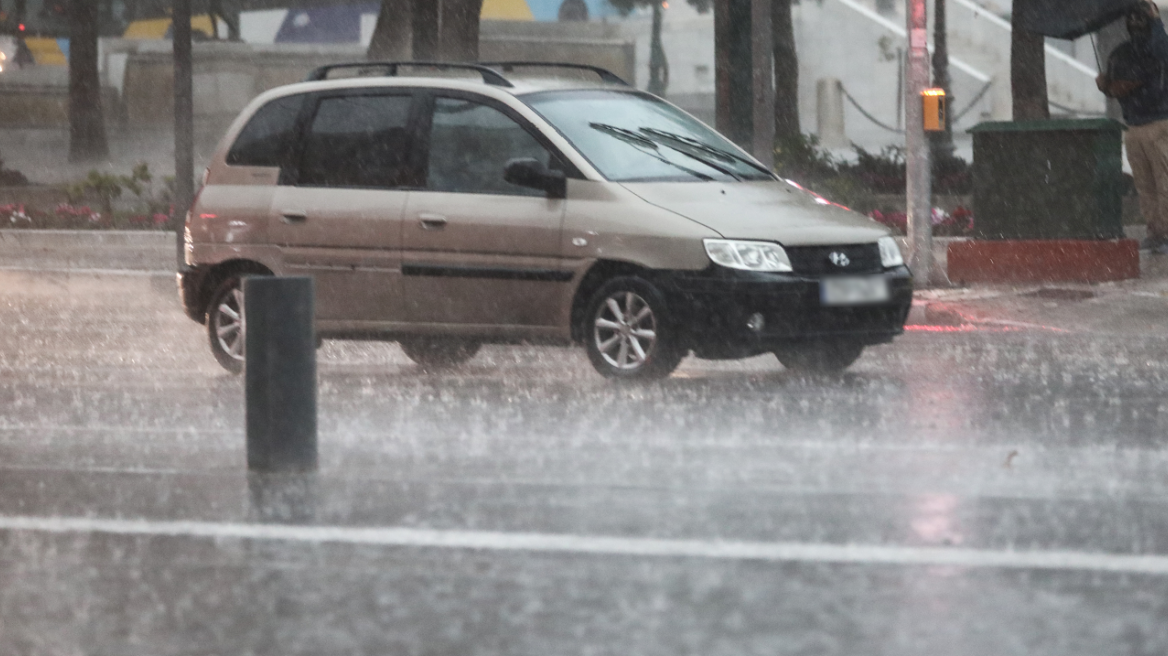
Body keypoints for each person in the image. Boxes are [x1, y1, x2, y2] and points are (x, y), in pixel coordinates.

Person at [1097, 0, 1168, 254]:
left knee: (1155, 183)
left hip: (1147, 124)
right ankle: (1158, 232)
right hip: (1148, 124)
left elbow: (1115, 87)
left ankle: (1161, 232)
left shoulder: (1129, 52)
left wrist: (1107, 84)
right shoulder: (1140, 50)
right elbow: (1113, 85)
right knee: (1152, 183)